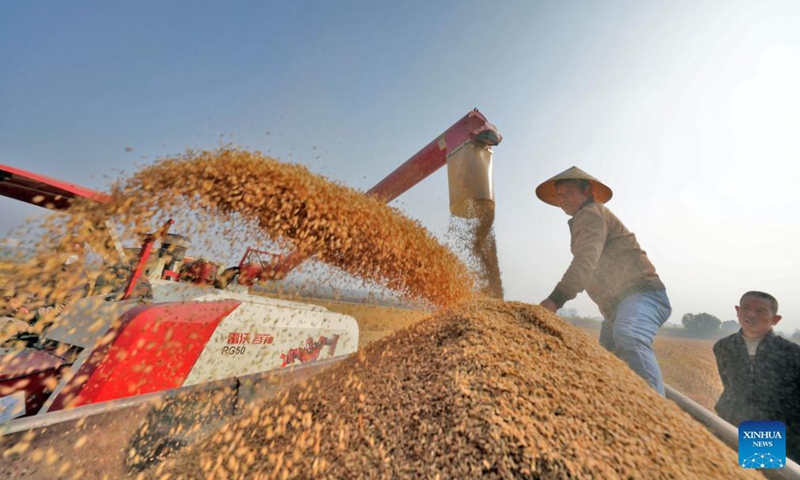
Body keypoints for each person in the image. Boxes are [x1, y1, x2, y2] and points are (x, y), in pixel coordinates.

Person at [536, 166, 672, 395]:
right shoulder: (585, 218)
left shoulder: (591, 213)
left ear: (586, 190)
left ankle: (658, 413)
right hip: (617, 307)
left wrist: (554, 300)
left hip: (642, 295)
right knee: (607, 364)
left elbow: (584, 263)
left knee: (629, 336)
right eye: (559, 196)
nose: (562, 200)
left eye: (567, 192)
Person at [714, 291, 800, 462]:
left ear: (775, 319)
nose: (751, 314)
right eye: (746, 308)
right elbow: (729, 384)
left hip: (777, 429)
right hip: (733, 423)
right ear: (738, 311)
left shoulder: (792, 353)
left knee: (766, 472)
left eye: (760, 311)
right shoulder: (723, 347)